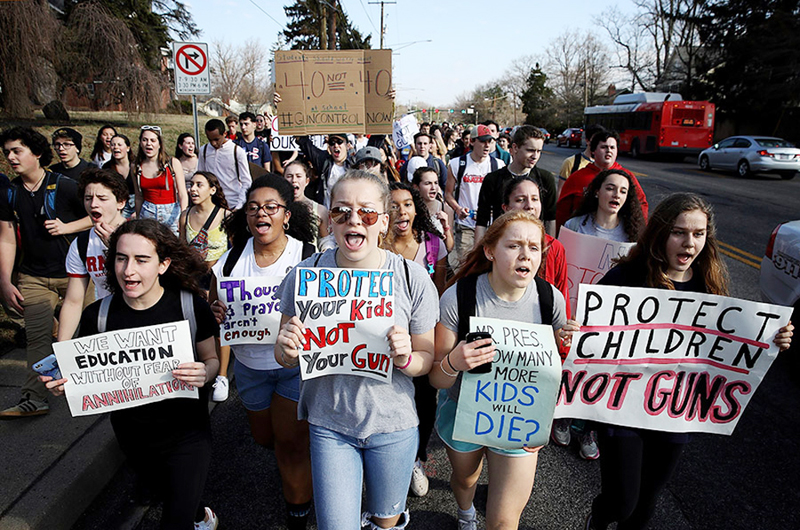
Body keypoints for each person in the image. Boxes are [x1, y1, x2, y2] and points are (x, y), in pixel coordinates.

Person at [582, 193, 793, 530]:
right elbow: (591, 332)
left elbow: (731, 340)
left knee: (645, 505)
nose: (689, 243)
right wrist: (574, 332)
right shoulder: (626, 279)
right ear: (661, 233)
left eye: (698, 234)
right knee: (622, 502)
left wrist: (773, 339)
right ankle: (600, 517)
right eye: (679, 232)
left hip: (674, 409)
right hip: (621, 408)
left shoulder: (709, 285)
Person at [275, 170, 438, 530]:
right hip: (329, 424)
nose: (353, 220)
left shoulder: (412, 278)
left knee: (386, 520)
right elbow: (283, 354)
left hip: (393, 424)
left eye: (365, 213)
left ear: (383, 221)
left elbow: (426, 360)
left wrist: (407, 357)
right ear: (329, 220)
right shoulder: (305, 275)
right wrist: (287, 348)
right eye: (341, 212)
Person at [42, 219, 221, 530]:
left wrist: (204, 372)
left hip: (187, 433)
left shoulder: (190, 306)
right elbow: (83, 374)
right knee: (170, 495)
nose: (128, 270)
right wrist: (64, 384)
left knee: (175, 521)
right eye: (121, 258)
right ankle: (198, 515)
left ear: (163, 264)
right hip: (133, 437)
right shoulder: (97, 316)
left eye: (141, 260)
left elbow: (212, 359)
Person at [429, 210, 570, 530]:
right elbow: (436, 378)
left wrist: (572, 345)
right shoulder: (459, 297)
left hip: (520, 421)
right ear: (490, 250)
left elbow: (564, 373)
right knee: (466, 479)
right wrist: (455, 361)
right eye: (514, 246)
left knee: (505, 521)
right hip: (463, 412)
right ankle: (465, 512)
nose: (526, 255)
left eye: (534, 247)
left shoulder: (551, 301)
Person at [208, 174, 316, 529]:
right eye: (253, 208)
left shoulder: (309, 258)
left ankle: (298, 512)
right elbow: (213, 302)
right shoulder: (228, 262)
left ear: (287, 214)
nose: (261, 214)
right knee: (264, 438)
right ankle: (302, 465)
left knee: (288, 444)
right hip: (250, 369)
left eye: (271, 207)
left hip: (294, 367)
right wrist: (215, 311)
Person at [0, 127, 91, 418]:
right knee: (38, 340)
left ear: (36, 153)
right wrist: (5, 281)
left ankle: (98, 389)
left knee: (90, 333)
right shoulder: (10, 192)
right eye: (7, 153)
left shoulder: (63, 186)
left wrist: (67, 227)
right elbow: (6, 237)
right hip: (33, 276)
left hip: (75, 275)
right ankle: (34, 398)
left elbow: (97, 214)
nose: (11, 158)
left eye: (17, 151)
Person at [385, 180, 447, 498]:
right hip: (382, 342)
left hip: (423, 340)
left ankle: (415, 458)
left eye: (407, 203)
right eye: (393, 205)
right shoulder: (373, 247)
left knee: (424, 401)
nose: (401, 211)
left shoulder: (434, 244)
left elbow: (442, 290)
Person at [57, 168, 128, 342]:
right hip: (108, 325)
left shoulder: (144, 235)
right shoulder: (81, 245)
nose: (93, 204)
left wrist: (116, 247)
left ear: (121, 202)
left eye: (102, 198)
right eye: (88, 198)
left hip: (148, 326)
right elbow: (73, 301)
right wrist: (62, 348)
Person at [501, 175, 571, 319]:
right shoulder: (494, 244)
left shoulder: (555, 247)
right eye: (520, 200)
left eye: (535, 199)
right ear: (506, 208)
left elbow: (562, 295)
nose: (529, 206)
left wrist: (565, 330)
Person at [476, 125, 557, 242]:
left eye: (538, 151)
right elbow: (482, 220)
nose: (535, 156)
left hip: (535, 244)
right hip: (502, 244)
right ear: (515, 148)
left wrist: (549, 249)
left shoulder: (545, 178)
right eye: (530, 150)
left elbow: (550, 218)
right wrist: (478, 253)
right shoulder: (493, 179)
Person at [556, 130, 649, 230]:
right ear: (593, 151)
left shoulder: (627, 177)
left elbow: (641, 206)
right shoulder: (577, 177)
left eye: (612, 147)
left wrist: (637, 232)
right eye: (604, 147)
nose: (609, 151)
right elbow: (562, 211)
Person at [445, 124, 503, 266]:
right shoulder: (457, 164)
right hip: (466, 226)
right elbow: (448, 194)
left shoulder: (499, 165)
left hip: (491, 225)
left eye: (490, 141)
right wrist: (458, 209)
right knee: (466, 264)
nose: (487, 145)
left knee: (490, 264)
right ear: (472, 141)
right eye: (482, 141)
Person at [132, 126, 188, 235]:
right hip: (148, 212)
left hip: (171, 212)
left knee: (174, 246)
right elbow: (138, 196)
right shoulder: (136, 166)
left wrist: (183, 217)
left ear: (159, 144)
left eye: (153, 140)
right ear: (140, 143)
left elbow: (182, 194)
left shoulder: (172, 163)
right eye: (145, 140)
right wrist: (138, 219)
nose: (149, 144)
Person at [564, 168, 646, 243]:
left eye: (623, 191)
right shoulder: (573, 226)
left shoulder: (633, 233)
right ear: (597, 192)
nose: (617, 195)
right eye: (610, 189)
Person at [197, 120, 252, 211]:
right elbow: (200, 176)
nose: (213, 143)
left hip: (232, 203)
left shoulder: (237, 151)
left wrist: (239, 206)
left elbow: (246, 181)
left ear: (224, 134)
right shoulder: (204, 150)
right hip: (211, 204)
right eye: (210, 140)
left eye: (216, 139)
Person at [283, 160, 329, 248]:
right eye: (289, 176)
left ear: (307, 181)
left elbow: (325, 239)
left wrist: (325, 249)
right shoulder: (276, 208)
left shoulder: (320, 210)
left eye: (298, 176)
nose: (294, 180)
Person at [411, 166, 454, 253]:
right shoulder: (410, 209)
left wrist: (445, 227)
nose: (433, 187)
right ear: (416, 187)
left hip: (437, 261)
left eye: (436, 183)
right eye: (428, 183)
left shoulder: (445, 209)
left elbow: (449, 247)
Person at [557, 123, 606, 197]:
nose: (598, 144)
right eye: (595, 140)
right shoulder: (571, 163)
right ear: (587, 141)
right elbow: (561, 192)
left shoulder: (607, 165)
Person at [103, 134, 135, 219]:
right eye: (113, 145)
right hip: (118, 205)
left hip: (136, 204)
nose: (115, 147)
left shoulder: (137, 165)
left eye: (119, 145)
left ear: (128, 148)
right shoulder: (107, 167)